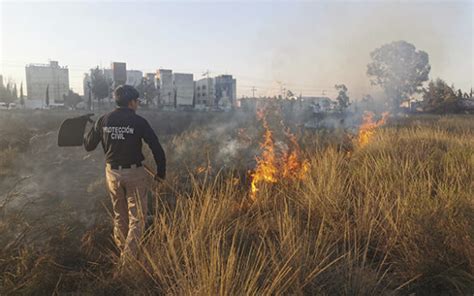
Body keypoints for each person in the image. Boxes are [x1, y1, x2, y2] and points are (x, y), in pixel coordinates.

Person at [83, 85, 166, 263]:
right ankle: (128, 262)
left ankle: (123, 251)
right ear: (131, 102)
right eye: (137, 102)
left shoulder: (103, 119)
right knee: (138, 218)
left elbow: (88, 145)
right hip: (134, 173)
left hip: (112, 173)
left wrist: (88, 128)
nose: (138, 105)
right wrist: (161, 172)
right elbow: (156, 146)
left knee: (120, 215)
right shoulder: (139, 122)